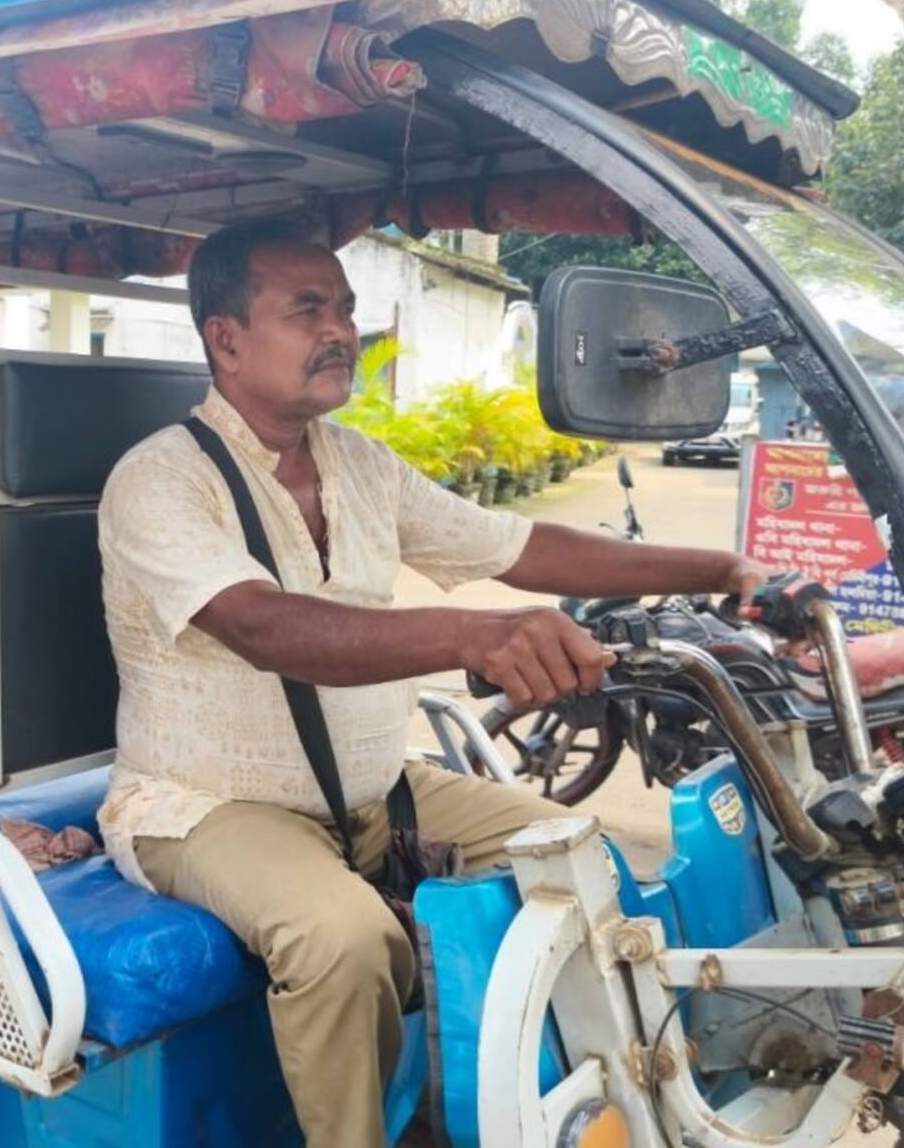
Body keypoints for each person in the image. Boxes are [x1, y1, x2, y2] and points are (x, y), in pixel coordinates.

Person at [95, 217, 767, 1147]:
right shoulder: (158, 480)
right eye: (308, 310)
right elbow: (265, 627)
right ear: (226, 338)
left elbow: (521, 546)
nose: (341, 330)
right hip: (205, 803)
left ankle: (512, 1111)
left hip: (375, 788)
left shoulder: (360, 465)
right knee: (344, 938)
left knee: (578, 852)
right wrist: (474, 636)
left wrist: (716, 566)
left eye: (346, 308)